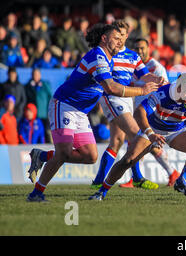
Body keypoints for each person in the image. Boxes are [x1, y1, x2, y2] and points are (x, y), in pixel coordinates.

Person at [26, 23, 160, 202]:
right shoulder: (98, 56)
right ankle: (36, 193)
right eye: (116, 38)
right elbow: (111, 87)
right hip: (64, 105)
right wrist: (142, 91)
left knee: (90, 156)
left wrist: (155, 82)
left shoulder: (109, 59)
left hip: (81, 112)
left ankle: (41, 155)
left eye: (122, 39)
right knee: (64, 152)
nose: (120, 42)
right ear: (104, 38)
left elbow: (121, 84)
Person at [88, 73, 186, 201]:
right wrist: (150, 134)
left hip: (177, 130)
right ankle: (102, 191)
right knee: (128, 160)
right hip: (154, 129)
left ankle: (182, 181)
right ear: (179, 88)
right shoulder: (164, 93)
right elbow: (139, 112)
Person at [91, 21, 175, 191]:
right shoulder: (108, 54)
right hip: (112, 97)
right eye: (117, 35)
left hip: (127, 98)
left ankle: (98, 181)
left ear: (127, 36)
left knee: (116, 141)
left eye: (122, 35)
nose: (120, 38)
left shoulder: (133, 56)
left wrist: (158, 81)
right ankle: (137, 178)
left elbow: (145, 75)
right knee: (137, 134)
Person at [24, 68, 52, 142]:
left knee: (46, 132)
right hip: (32, 116)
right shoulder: (28, 86)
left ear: (40, 75)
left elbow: (50, 98)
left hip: (43, 115)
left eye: (37, 74)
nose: (36, 76)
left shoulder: (45, 85)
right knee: (33, 133)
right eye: (34, 74)